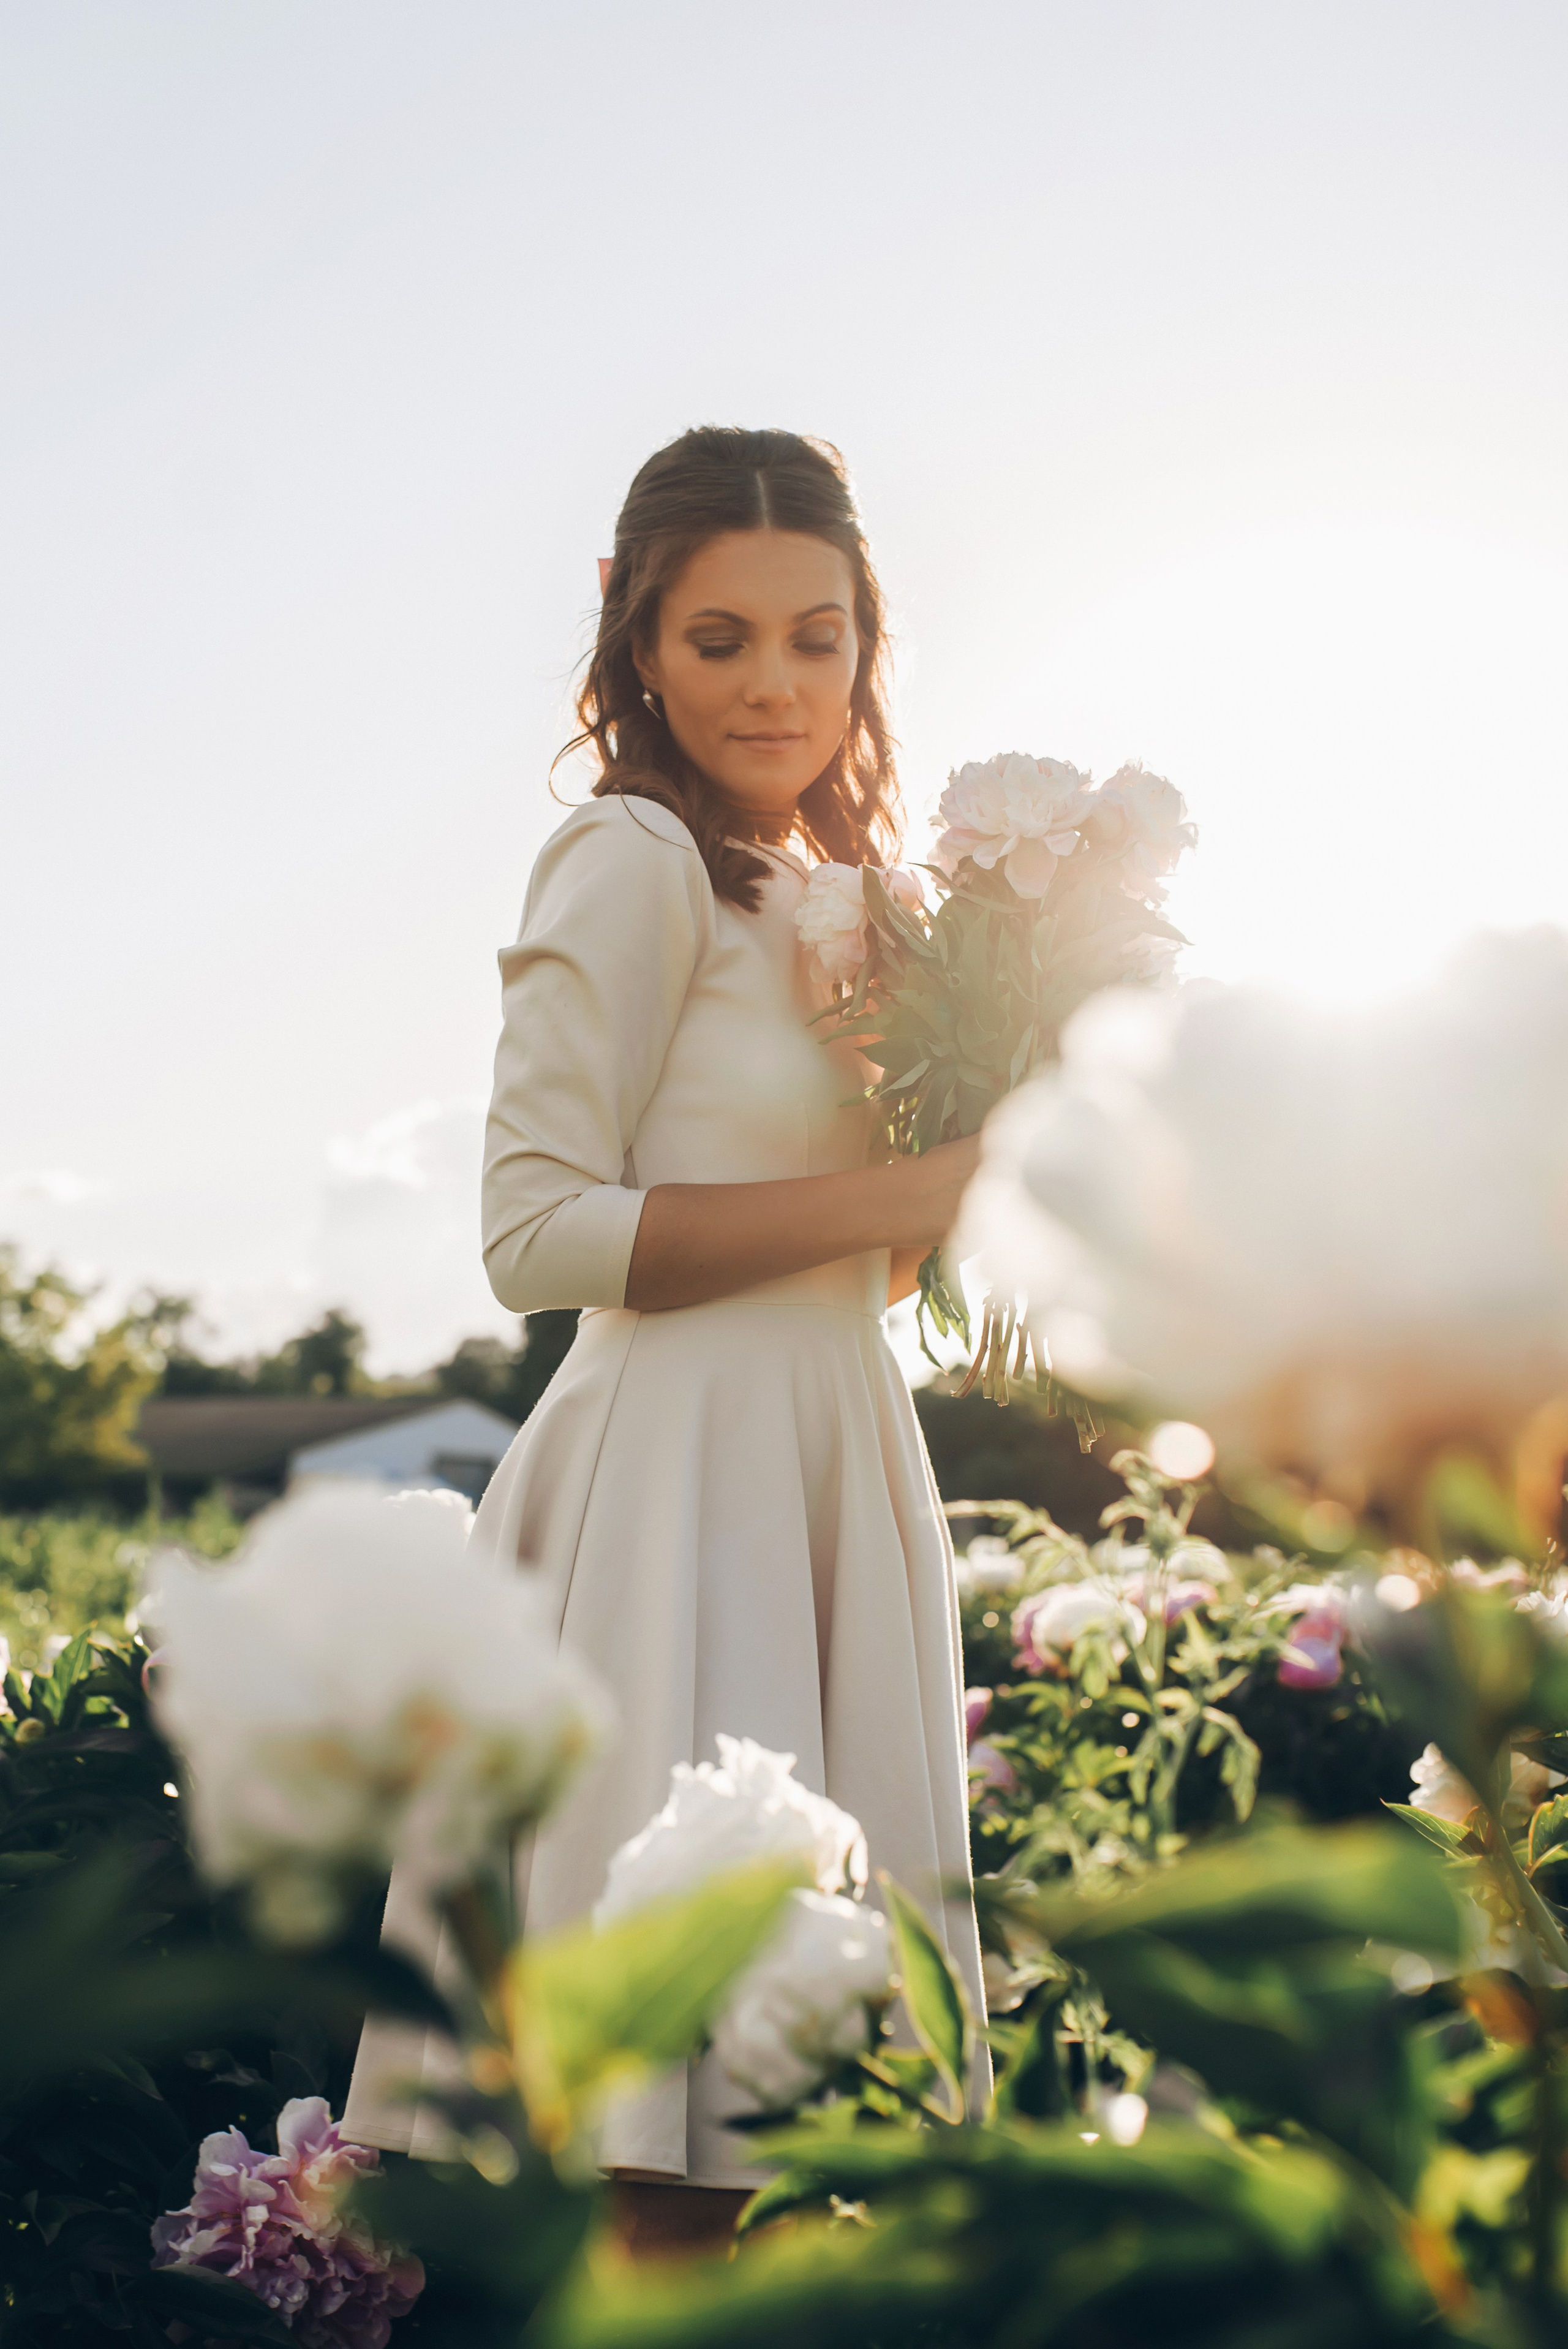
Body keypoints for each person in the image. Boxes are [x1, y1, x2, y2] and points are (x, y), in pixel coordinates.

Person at [345, 426, 986, 2252]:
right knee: (663, 2125)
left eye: (818, 636)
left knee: (812, 2122)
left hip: (835, 1468)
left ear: (871, 646)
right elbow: (537, 1233)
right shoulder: (629, 854)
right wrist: (909, 1180)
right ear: (637, 641)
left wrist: (949, 1152)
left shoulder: (860, 902)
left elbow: (859, 1279)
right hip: (664, 1502)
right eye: (720, 639)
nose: (776, 682)